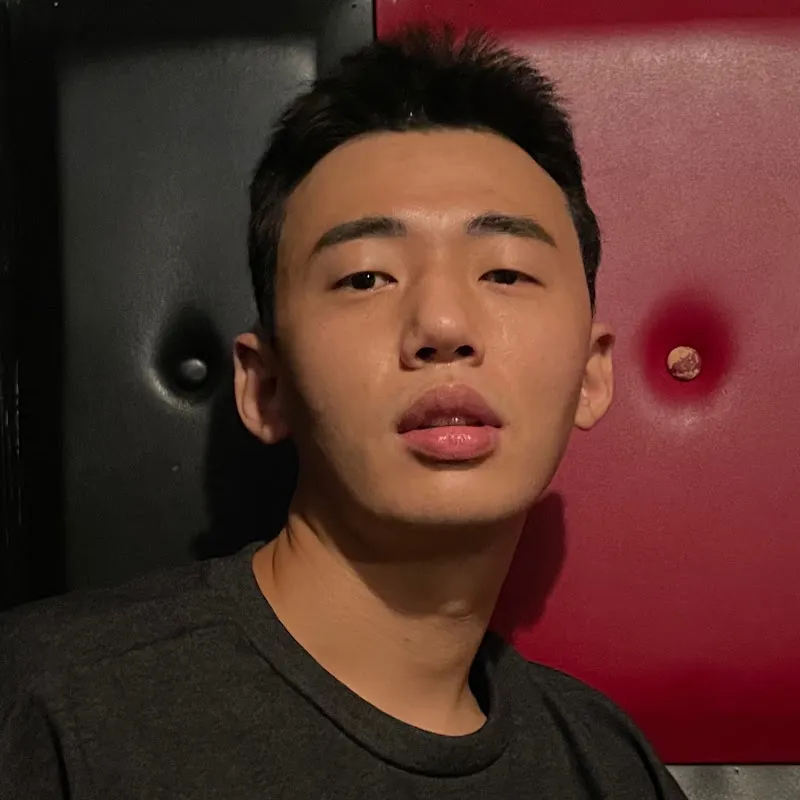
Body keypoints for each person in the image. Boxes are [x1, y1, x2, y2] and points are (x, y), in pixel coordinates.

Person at [0, 26, 688, 799]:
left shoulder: (608, 765)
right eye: (365, 277)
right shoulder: (51, 710)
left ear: (591, 375)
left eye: (504, 272)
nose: (442, 325)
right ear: (266, 386)